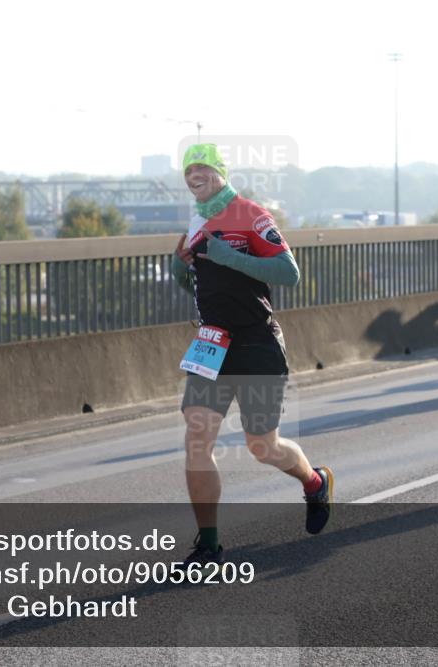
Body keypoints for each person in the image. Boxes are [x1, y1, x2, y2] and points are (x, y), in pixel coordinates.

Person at [170, 143, 333, 565]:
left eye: (203, 167)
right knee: (197, 441)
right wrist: (181, 267)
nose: (195, 175)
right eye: (189, 170)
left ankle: (314, 482)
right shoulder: (194, 220)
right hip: (211, 346)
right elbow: (203, 287)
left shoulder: (249, 213)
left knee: (263, 446)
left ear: (221, 171)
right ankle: (208, 545)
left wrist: (225, 254)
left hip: (257, 343)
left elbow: (287, 272)